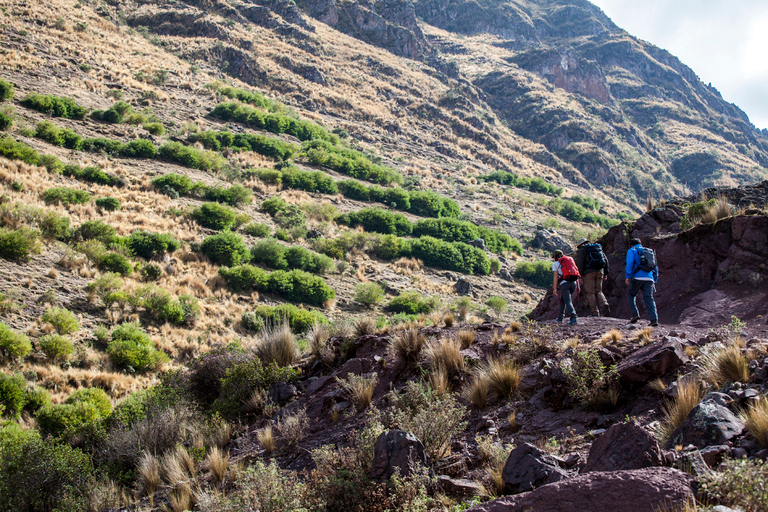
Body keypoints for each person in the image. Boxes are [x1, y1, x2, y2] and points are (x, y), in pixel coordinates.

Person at [625, 238, 658, 326]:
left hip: (637, 277)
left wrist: (628, 276)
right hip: (649, 278)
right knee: (649, 298)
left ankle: (635, 314)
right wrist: (654, 278)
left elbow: (630, 263)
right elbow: (655, 266)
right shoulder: (649, 252)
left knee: (631, 294)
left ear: (631, 245)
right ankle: (654, 319)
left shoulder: (632, 250)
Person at [575, 238, 610, 317]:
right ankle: (604, 304)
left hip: (589, 273)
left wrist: (580, 276)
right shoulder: (597, 247)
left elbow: (580, 263)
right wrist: (606, 273)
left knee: (590, 292)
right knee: (599, 291)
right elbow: (606, 260)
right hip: (600, 271)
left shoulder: (583, 250)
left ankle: (595, 312)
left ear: (581, 245)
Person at [552, 249, 579, 325]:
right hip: (573, 283)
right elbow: (575, 272)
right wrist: (578, 287)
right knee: (563, 299)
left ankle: (573, 317)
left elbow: (555, 277)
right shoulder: (569, 262)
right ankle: (560, 317)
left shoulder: (555, 264)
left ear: (555, 257)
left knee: (568, 301)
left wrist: (554, 289)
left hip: (564, 284)